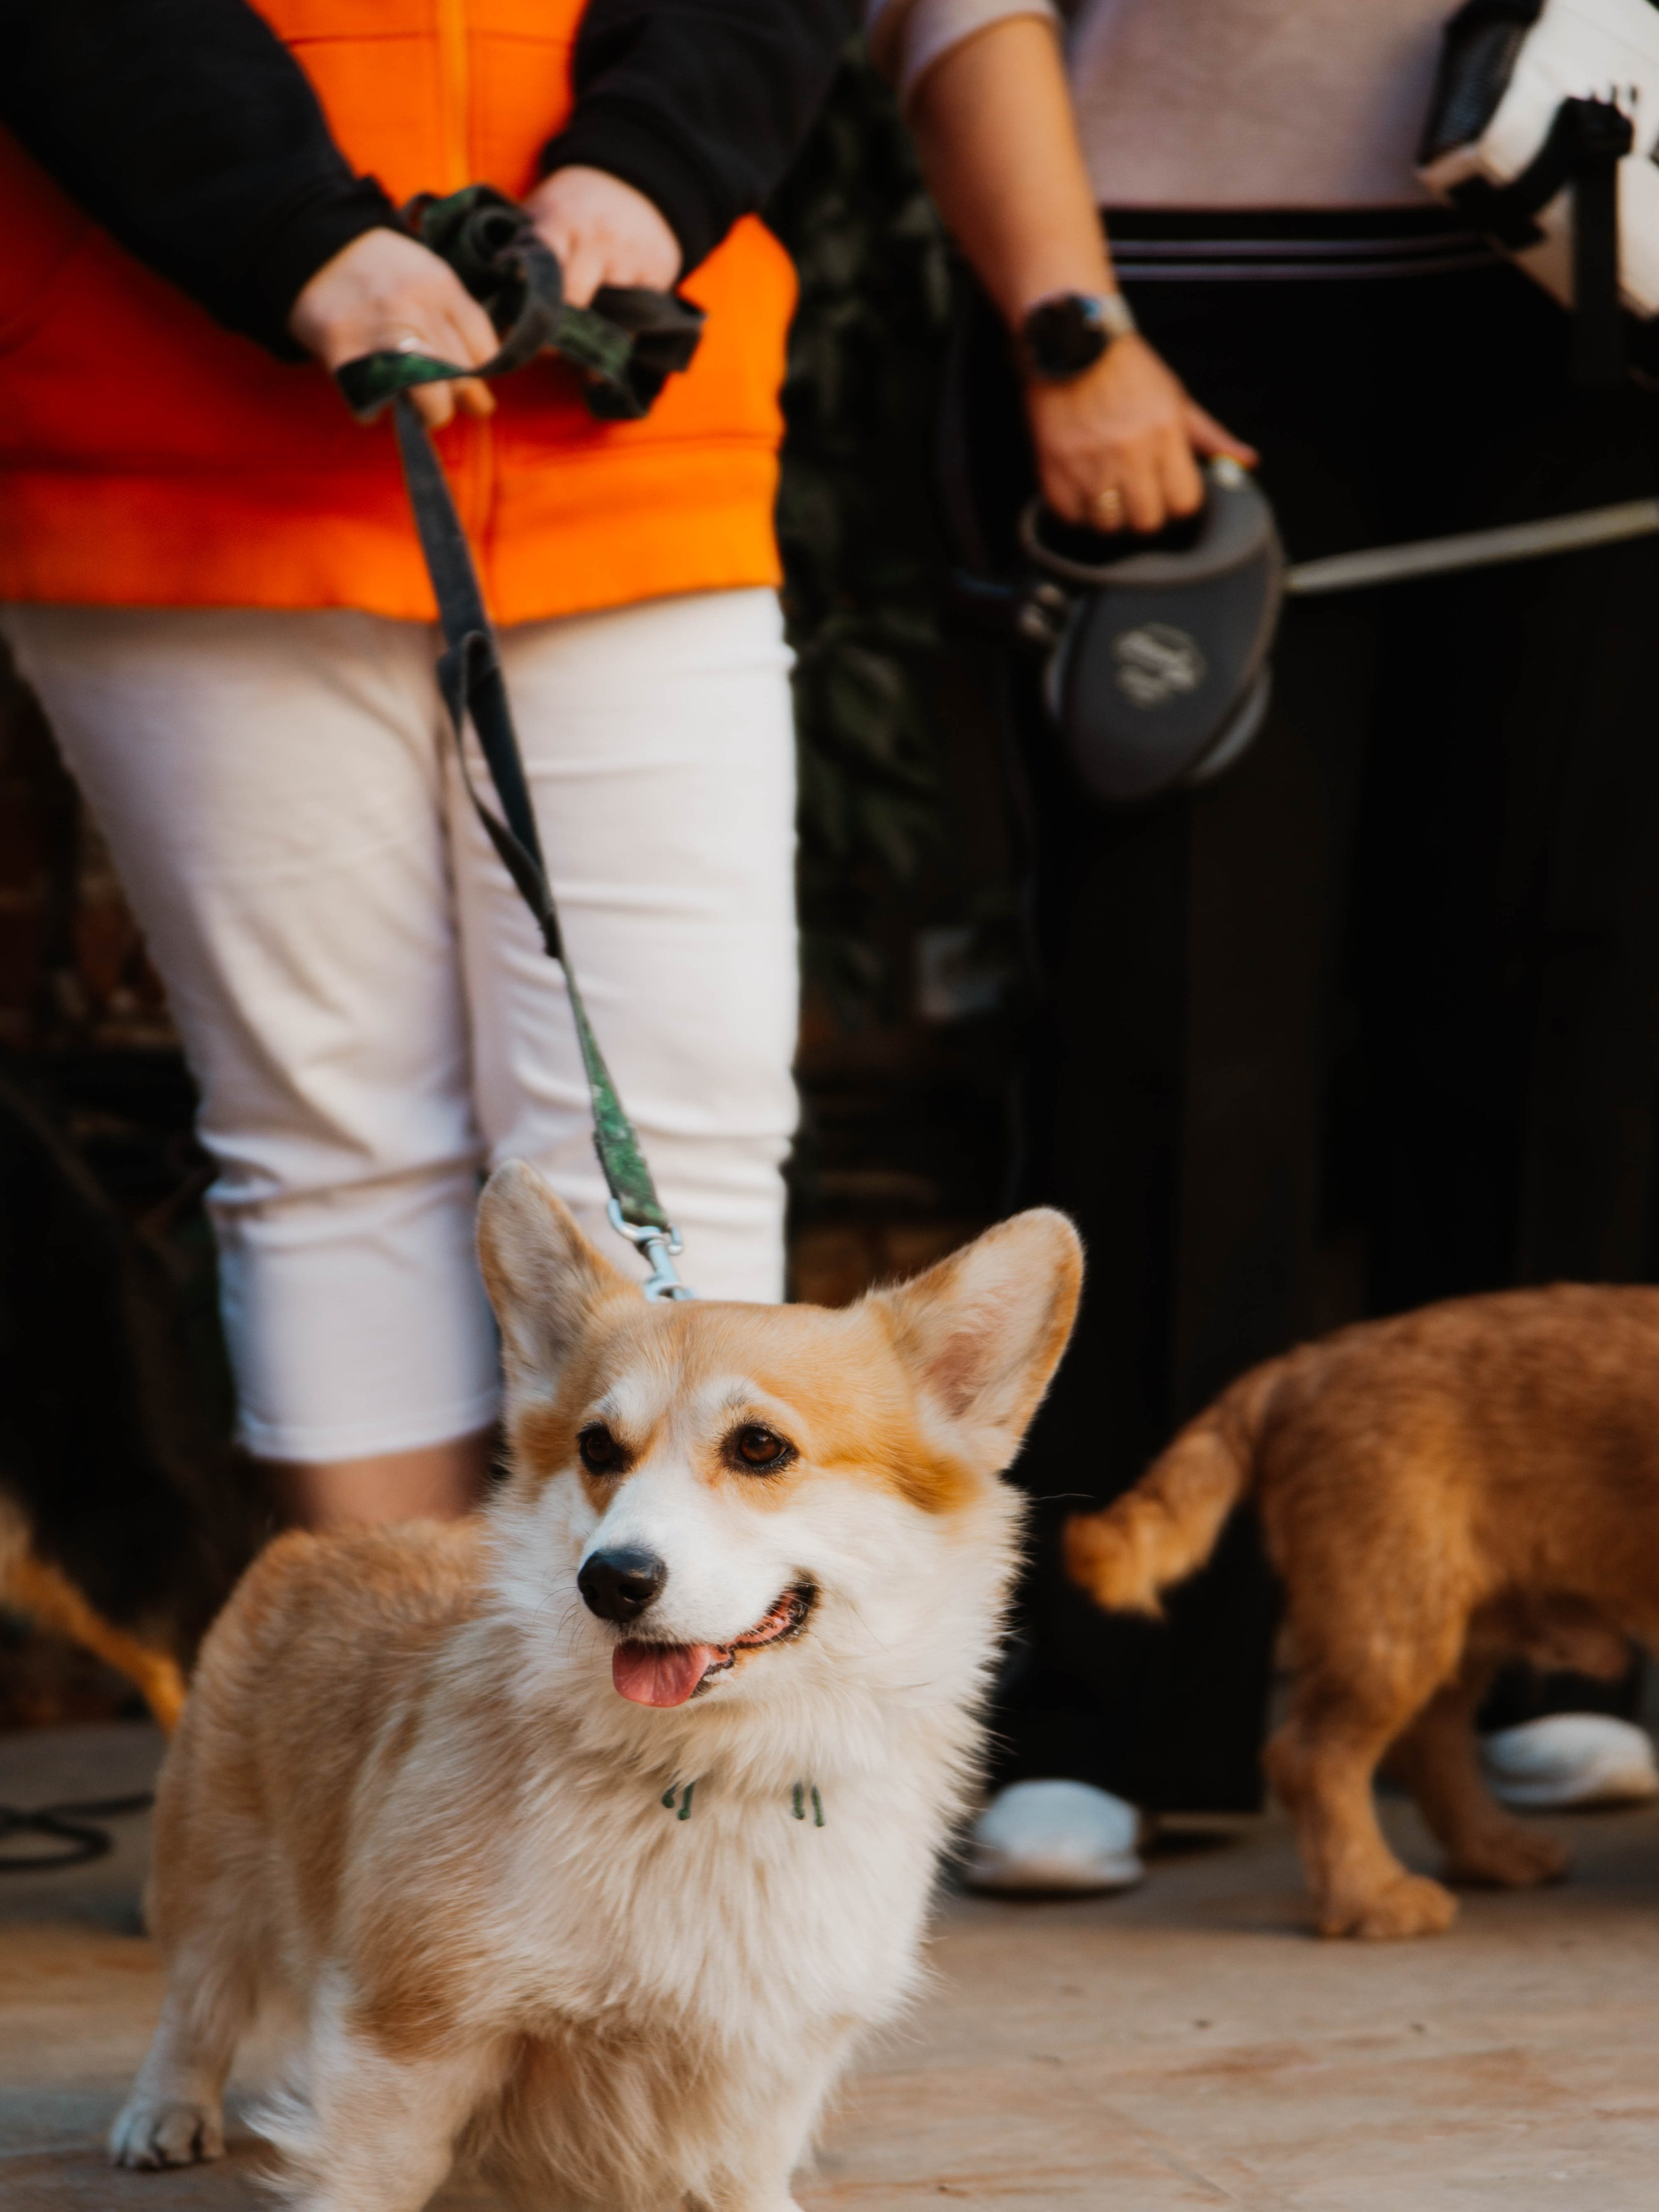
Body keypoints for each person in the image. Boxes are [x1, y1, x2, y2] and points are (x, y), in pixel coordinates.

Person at [868, 0, 1659, 1888]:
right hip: (1177, 304)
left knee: (1576, 984)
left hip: (1603, 276)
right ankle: (1121, 1695)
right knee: (1177, 1021)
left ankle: (1547, 1640)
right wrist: (1070, 327)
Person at [0, 0, 844, 1530]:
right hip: (178, 418)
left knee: (676, 1133)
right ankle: (391, 1741)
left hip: (624, 413)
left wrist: (646, 169)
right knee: (333, 1145)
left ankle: (656, 1753)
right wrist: (288, 231)